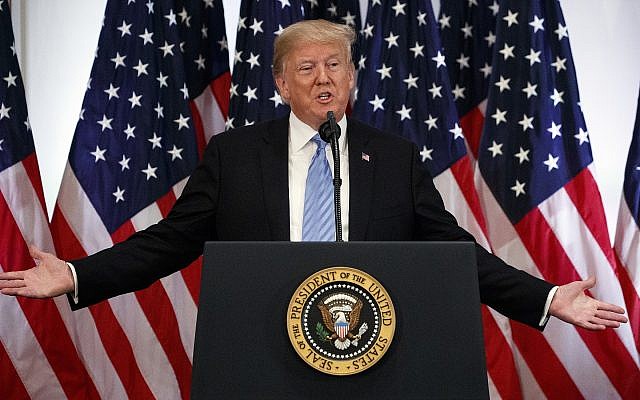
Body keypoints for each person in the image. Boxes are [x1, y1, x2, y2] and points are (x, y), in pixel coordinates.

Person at [0, 20, 627, 331]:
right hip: (261, 349)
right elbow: (168, 244)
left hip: (368, 348)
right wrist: (77, 275)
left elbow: (454, 251)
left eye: (335, 65)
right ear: (280, 83)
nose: (323, 78)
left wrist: (545, 297)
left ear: (353, 79)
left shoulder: (396, 158)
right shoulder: (234, 155)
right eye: (306, 68)